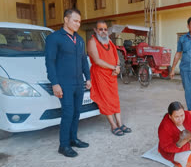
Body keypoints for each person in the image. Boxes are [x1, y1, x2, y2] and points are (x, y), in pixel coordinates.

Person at [45, 9, 91, 158]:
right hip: (64, 83)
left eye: (79, 21)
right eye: (75, 20)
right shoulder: (55, 38)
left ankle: (73, 139)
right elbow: (50, 62)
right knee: (68, 113)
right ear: (66, 19)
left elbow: (84, 60)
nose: (78, 24)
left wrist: (88, 78)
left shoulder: (80, 39)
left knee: (77, 112)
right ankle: (63, 145)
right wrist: (55, 83)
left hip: (79, 82)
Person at [87, 21, 131, 136]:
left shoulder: (109, 41)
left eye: (105, 29)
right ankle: (113, 125)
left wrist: (117, 67)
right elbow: (97, 60)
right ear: (95, 30)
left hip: (112, 75)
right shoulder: (92, 42)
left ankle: (120, 123)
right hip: (100, 75)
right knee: (106, 100)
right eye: (100, 29)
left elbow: (116, 56)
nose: (103, 31)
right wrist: (113, 67)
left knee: (115, 98)